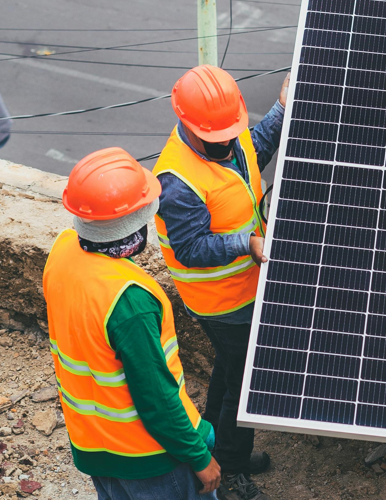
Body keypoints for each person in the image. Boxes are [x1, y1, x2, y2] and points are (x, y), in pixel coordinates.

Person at [42, 147, 222, 500]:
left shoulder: (62, 252)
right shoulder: (130, 301)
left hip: (94, 447)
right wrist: (200, 457)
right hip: (149, 460)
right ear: (133, 225)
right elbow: (157, 399)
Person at [153, 64, 288, 500]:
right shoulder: (176, 181)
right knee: (241, 380)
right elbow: (191, 248)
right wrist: (244, 243)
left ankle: (218, 445)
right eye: (217, 137)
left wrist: (281, 110)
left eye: (232, 132)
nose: (227, 142)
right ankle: (228, 466)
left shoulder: (228, 137)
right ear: (189, 127)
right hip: (220, 301)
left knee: (230, 374)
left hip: (247, 286)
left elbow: (254, 150)